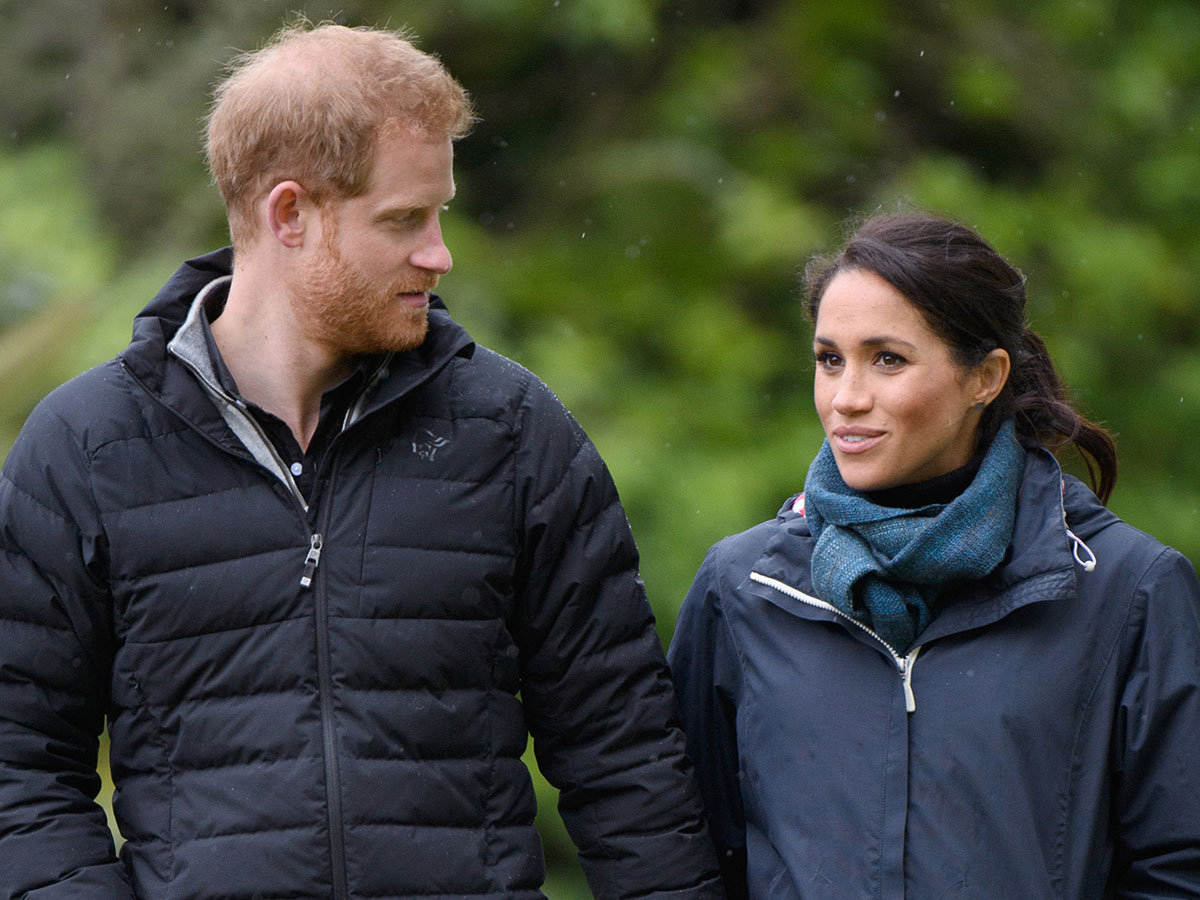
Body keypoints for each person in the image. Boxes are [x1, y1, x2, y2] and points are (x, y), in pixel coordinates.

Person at [0, 22, 723, 900]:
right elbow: (20, 776)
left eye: (440, 214)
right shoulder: (83, 449)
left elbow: (629, 763)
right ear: (290, 214)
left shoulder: (513, 433)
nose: (440, 253)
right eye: (405, 219)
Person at [668, 211, 1200, 900]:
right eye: (830, 360)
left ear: (986, 377)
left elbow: (1178, 869)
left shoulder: (1127, 590)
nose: (846, 399)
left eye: (887, 359)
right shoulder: (745, 587)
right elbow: (685, 853)